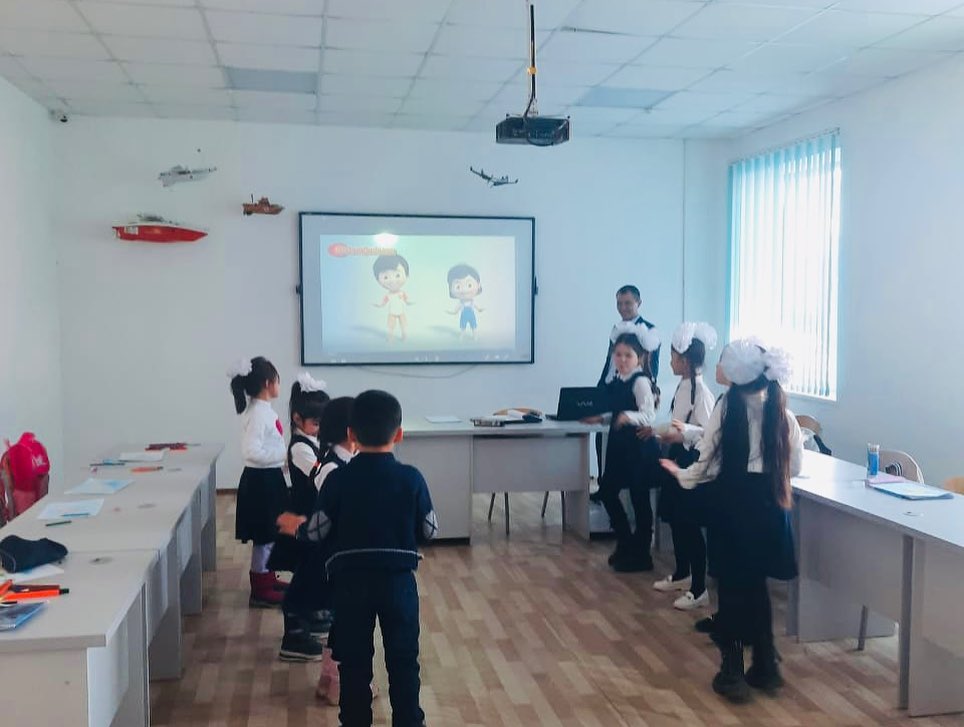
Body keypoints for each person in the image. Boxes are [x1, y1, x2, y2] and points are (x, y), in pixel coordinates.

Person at [278, 390, 438, 727]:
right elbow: (429, 529)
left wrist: (297, 528)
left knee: (354, 663)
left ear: (351, 434)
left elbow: (318, 530)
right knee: (404, 660)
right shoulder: (412, 478)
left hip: (350, 584)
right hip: (398, 583)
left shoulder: (338, 479)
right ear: (399, 434)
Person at [661, 340, 803, 702]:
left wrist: (681, 474)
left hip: (733, 509)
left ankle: (732, 670)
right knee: (756, 587)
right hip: (770, 510)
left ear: (736, 377)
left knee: (731, 591)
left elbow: (707, 463)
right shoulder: (782, 412)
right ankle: (766, 666)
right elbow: (796, 467)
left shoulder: (727, 408)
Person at [584, 324, 661, 572]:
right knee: (607, 491)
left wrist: (628, 417)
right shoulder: (618, 379)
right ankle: (625, 541)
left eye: (628, 355)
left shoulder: (641, 381)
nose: (622, 359)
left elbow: (649, 415)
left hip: (638, 448)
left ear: (640, 357)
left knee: (639, 499)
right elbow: (618, 409)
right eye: (618, 354)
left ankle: (641, 553)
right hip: (620, 446)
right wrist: (603, 418)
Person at [653, 322, 717, 611]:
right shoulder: (683, 387)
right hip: (677, 456)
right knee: (677, 520)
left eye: (673, 357)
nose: (670, 362)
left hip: (691, 462)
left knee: (689, 524)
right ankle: (682, 573)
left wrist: (680, 436)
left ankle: (699, 588)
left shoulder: (702, 393)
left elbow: (707, 434)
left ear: (686, 361)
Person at [274, 373, 330, 662]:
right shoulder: (299, 447)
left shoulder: (311, 441)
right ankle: (294, 635)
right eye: (317, 424)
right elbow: (320, 475)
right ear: (297, 418)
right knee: (306, 574)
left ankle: (314, 616)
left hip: (313, 519)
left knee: (315, 571)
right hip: (302, 520)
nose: (321, 430)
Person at [228, 356, 287, 608]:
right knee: (265, 535)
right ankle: (261, 588)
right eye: (277, 380)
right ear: (267, 383)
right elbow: (251, 451)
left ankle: (268, 578)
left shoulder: (262, 410)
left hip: (268, 478)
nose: (279, 385)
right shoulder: (258, 414)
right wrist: (283, 456)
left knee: (270, 533)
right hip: (261, 482)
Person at [594, 285, 660, 489]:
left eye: (628, 303)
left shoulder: (649, 330)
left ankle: (616, 486)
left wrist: (646, 386)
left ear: (639, 303)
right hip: (611, 386)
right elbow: (609, 363)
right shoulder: (616, 329)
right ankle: (604, 482)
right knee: (601, 435)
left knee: (623, 438)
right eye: (619, 303)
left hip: (632, 389)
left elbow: (652, 367)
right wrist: (601, 386)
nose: (623, 308)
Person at [373, 254, 412, 342]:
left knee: (403, 324)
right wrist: (379, 305)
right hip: (392, 312)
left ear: (406, 275)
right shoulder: (388, 295)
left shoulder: (402, 293)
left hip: (401, 311)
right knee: (391, 325)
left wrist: (409, 302)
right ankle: (390, 336)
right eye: (386, 277)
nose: (392, 280)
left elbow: (406, 300)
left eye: (397, 275)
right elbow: (383, 302)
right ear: (378, 280)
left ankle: (404, 335)